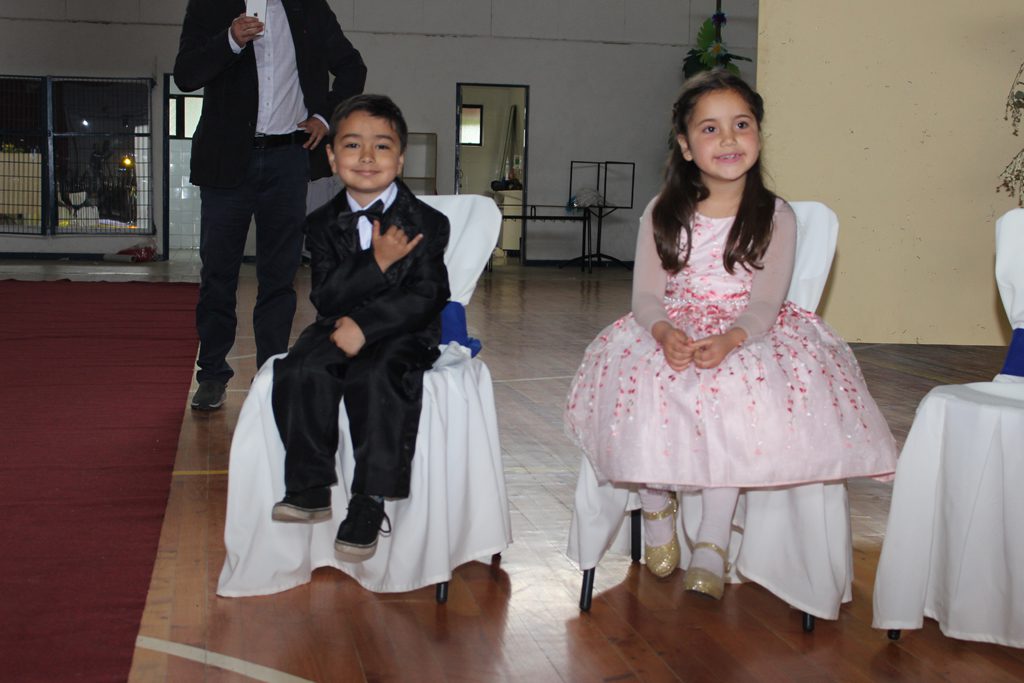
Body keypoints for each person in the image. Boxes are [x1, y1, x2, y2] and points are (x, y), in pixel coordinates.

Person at [564, 70, 898, 599]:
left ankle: (713, 540)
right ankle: (656, 505)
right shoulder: (662, 211)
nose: (728, 139)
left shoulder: (775, 215)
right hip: (669, 325)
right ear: (685, 145)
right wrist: (662, 331)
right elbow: (646, 295)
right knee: (642, 382)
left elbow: (766, 301)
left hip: (744, 332)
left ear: (759, 135)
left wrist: (731, 339)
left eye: (741, 125)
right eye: (710, 129)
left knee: (729, 394)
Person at [268, 94, 451, 560]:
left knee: (377, 377)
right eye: (352, 145)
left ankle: (370, 499)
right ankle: (309, 486)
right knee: (300, 368)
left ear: (401, 157)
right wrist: (377, 262)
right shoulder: (321, 224)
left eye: (382, 146)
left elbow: (428, 295)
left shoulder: (427, 222)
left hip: (404, 331)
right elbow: (326, 296)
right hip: (335, 324)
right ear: (331, 157)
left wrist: (367, 328)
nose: (367, 157)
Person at [173, 0, 367, 411]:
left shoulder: (310, 8)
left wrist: (325, 117)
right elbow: (186, 75)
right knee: (218, 274)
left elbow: (352, 66)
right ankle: (212, 374)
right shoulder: (211, 5)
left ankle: (271, 374)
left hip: (288, 159)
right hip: (226, 160)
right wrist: (230, 40)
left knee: (279, 277)